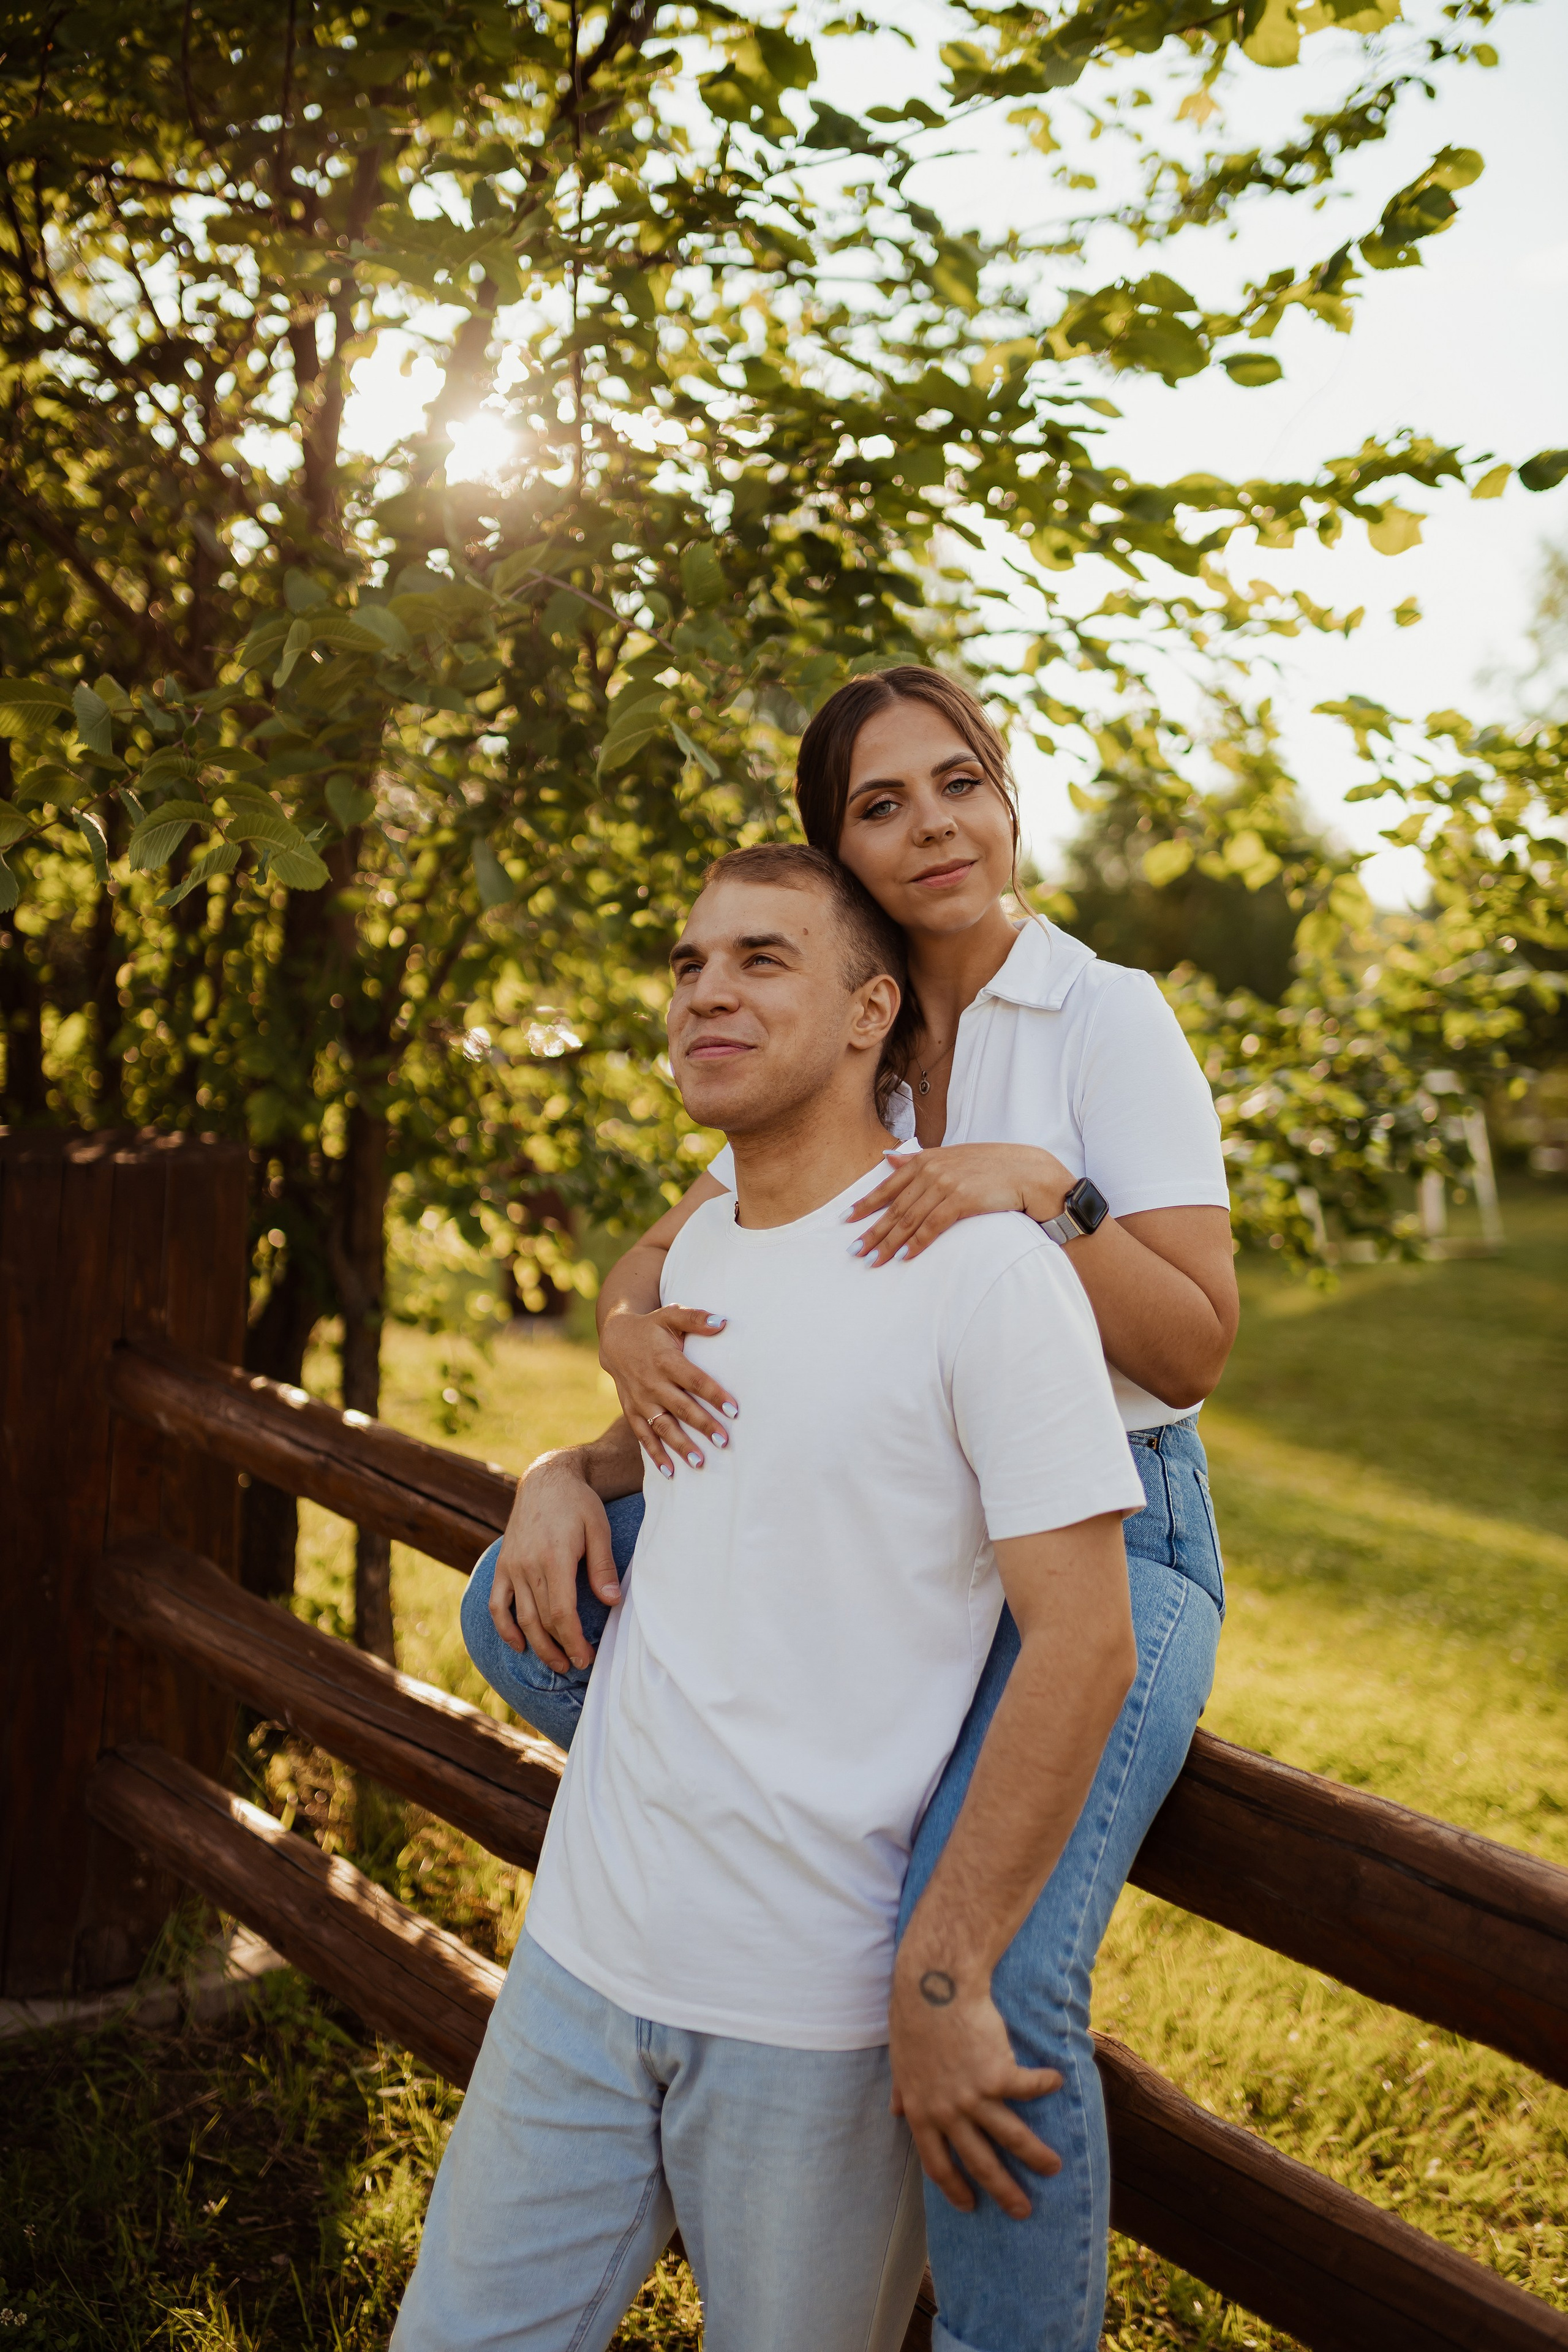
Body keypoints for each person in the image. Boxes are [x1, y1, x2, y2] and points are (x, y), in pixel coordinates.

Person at [472, 668, 1238, 2352]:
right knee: (501, 1614)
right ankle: (789, 1858)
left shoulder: (1101, 1014)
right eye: (879, 807)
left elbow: (1197, 1341)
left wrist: (1047, 1195)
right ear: (843, 856)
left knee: (993, 1964)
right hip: (892, 1505)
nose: (930, 827)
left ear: (1008, 793)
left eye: (954, 783)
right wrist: (601, 1370)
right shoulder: (855, 1028)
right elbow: (666, 1262)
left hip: (1120, 1517)